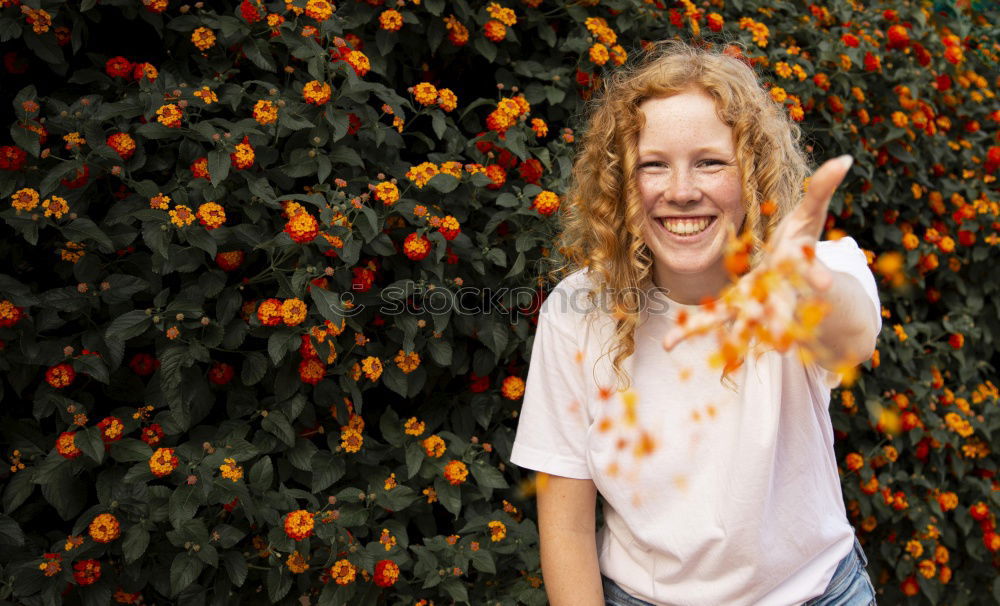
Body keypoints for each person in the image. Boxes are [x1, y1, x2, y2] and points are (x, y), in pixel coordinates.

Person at [509, 39, 882, 606]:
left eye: (710, 162)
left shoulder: (812, 271)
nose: (681, 192)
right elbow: (565, 523)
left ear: (752, 173)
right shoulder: (577, 308)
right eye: (653, 165)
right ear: (619, 183)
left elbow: (853, 337)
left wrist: (808, 287)